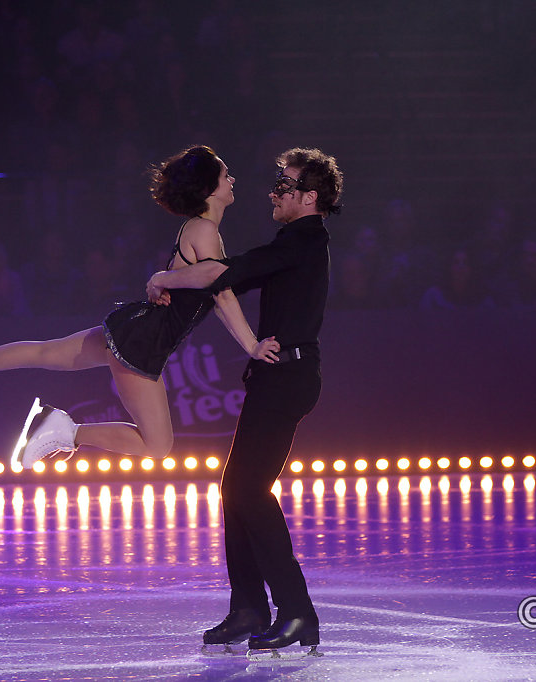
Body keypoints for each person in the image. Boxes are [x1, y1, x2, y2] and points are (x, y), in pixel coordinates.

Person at [0, 145, 278, 469]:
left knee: (47, 352)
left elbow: (210, 283)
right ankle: (66, 430)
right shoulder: (203, 230)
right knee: (158, 445)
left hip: (138, 330)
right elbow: (221, 292)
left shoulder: (200, 230)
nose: (233, 180)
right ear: (209, 187)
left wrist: (164, 279)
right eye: (226, 174)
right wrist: (252, 346)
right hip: (142, 344)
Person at [147, 147, 343, 655]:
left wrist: (164, 277)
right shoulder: (294, 240)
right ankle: (249, 608)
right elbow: (230, 274)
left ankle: (296, 611)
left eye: (286, 183)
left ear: (309, 197)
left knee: (248, 490)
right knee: (237, 488)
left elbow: (226, 272)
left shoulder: (305, 239)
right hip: (279, 374)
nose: (275, 189)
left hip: (289, 374)